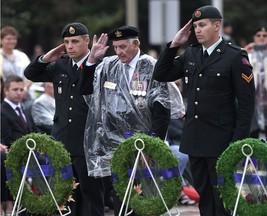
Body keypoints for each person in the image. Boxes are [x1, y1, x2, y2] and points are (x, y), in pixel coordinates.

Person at [153, 5, 255, 216]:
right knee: (204, 198)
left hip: (221, 141)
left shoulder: (235, 56)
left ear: (217, 26)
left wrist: (237, 144)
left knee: (222, 199)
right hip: (195, 139)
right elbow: (161, 73)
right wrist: (174, 44)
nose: (197, 30)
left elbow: (246, 105)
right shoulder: (191, 53)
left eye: (202, 25)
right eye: (195, 26)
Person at [79, 25, 184, 216]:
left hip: (145, 144)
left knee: (145, 198)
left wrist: (152, 146)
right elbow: (87, 91)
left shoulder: (151, 66)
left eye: (123, 47)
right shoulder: (109, 66)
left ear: (136, 44)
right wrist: (92, 59)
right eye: (116, 47)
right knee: (122, 198)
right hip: (116, 146)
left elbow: (162, 110)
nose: (119, 52)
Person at [24, 22, 105, 216]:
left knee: (91, 194)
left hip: (88, 141)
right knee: (65, 195)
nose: (70, 46)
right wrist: (46, 58)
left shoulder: (100, 65)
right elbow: (30, 74)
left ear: (87, 41)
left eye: (75, 41)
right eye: (67, 42)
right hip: (62, 140)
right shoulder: (60, 65)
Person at [1, 75, 36, 215]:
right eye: (15, 89)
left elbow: (33, 132)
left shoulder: (25, 109)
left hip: (31, 153)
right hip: (12, 154)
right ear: (6, 90)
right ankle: (13, 204)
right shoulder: (1, 111)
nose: (19, 92)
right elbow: (5, 139)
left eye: (21, 89)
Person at [0, 26, 34, 109]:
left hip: (26, 97)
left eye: (14, 39)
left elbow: (31, 74)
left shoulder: (22, 56)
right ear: (1, 40)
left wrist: (24, 89)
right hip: (5, 97)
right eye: (8, 39)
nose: (11, 41)